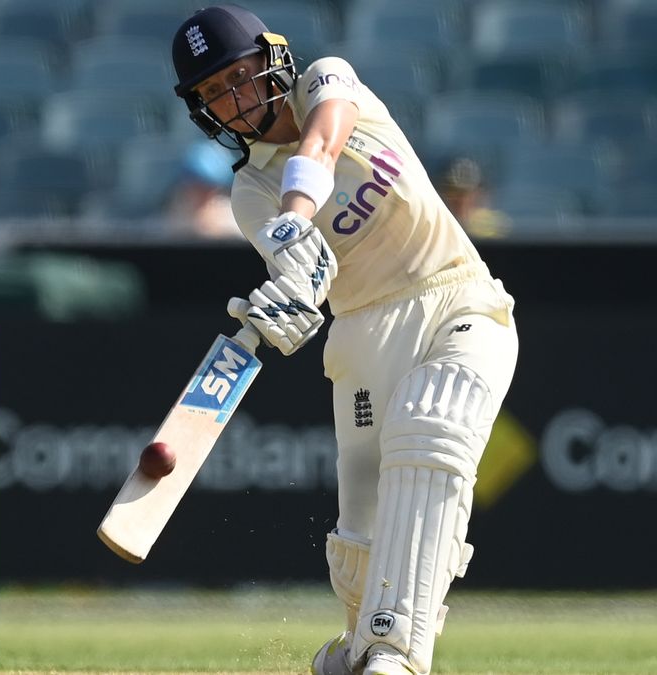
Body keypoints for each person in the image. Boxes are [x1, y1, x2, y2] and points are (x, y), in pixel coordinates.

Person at [170, 6, 518, 675]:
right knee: (361, 544)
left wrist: (295, 219)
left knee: (431, 431)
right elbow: (308, 281)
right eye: (214, 94)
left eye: (239, 77)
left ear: (272, 61)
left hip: (455, 292)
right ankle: (356, 649)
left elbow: (323, 145)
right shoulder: (249, 192)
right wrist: (287, 298)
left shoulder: (327, 79)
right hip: (363, 334)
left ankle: (392, 652)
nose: (235, 101)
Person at [165, 140, 244, 240]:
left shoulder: (233, 218)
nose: (201, 191)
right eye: (195, 184)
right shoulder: (173, 217)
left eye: (207, 187)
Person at [434, 156, 510, 240]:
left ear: (481, 195)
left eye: (466, 194)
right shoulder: (436, 226)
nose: (461, 201)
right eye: (454, 193)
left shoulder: (497, 227)